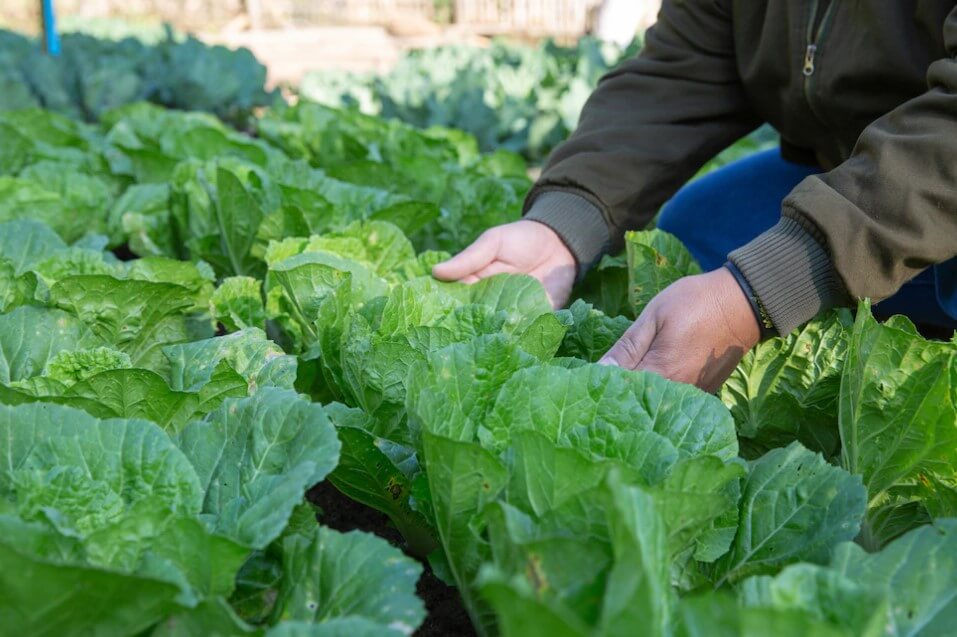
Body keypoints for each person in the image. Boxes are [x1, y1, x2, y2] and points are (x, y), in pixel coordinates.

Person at [433, 1, 957, 393]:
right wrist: (565, 223)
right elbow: (685, 64)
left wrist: (763, 289)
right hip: (855, 167)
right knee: (694, 230)